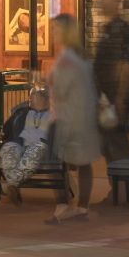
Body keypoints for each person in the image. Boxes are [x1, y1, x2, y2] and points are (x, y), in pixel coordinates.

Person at [45, 14, 102, 221]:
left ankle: (62, 206)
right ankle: (82, 207)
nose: (53, 33)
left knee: (53, 162)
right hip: (84, 117)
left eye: (56, 29)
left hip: (64, 118)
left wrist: (46, 80)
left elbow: (60, 91)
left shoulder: (66, 59)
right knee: (84, 162)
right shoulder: (83, 56)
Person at [93, 0, 129, 165]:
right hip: (105, 97)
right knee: (108, 143)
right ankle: (117, 187)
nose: (100, 2)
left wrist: (119, 98)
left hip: (114, 98)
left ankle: (125, 189)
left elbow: (126, 65)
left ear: (116, 1)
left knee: (118, 143)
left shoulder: (121, 29)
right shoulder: (108, 28)